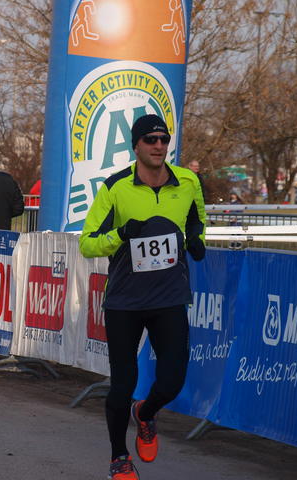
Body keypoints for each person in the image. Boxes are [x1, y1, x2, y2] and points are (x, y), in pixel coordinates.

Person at [79, 114, 206, 480]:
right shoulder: (116, 187)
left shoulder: (188, 182)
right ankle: (118, 456)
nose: (158, 145)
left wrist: (196, 239)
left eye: (164, 139)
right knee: (123, 384)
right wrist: (121, 233)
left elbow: (196, 218)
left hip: (170, 296)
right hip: (126, 300)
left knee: (172, 381)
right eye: (150, 139)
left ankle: (146, 413)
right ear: (136, 145)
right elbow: (88, 243)